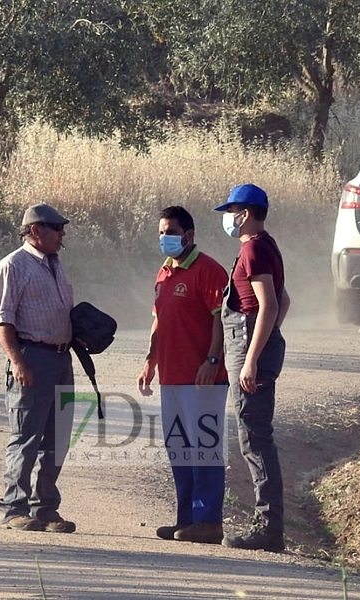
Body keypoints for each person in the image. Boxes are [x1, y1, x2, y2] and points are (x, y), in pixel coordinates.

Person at [137, 206, 230, 545]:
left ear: (189, 235)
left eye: (170, 232)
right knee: (179, 448)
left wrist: (212, 359)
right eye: (161, 232)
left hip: (202, 378)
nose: (164, 238)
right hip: (171, 378)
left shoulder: (209, 271)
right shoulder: (164, 272)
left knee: (204, 447)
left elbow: (220, 319)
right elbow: (159, 320)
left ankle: (208, 521)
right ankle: (187, 519)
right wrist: (151, 360)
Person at [0, 203, 78, 534]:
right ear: (36, 230)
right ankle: (14, 507)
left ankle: (45, 508)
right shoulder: (13, 266)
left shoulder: (56, 265)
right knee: (26, 436)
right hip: (31, 358)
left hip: (60, 359)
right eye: (56, 228)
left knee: (59, 437)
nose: (62, 234)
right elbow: (2, 319)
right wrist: (18, 362)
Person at [214, 183, 291, 552]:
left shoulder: (254, 248)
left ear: (245, 213)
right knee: (255, 436)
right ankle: (268, 524)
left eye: (231, 211)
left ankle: (268, 528)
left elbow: (269, 306)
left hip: (248, 347)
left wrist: (252, 358)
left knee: (254, 439)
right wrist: (269, 341)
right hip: (253, 344)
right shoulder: (265, 245)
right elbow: (283, 300)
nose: (228, 218)